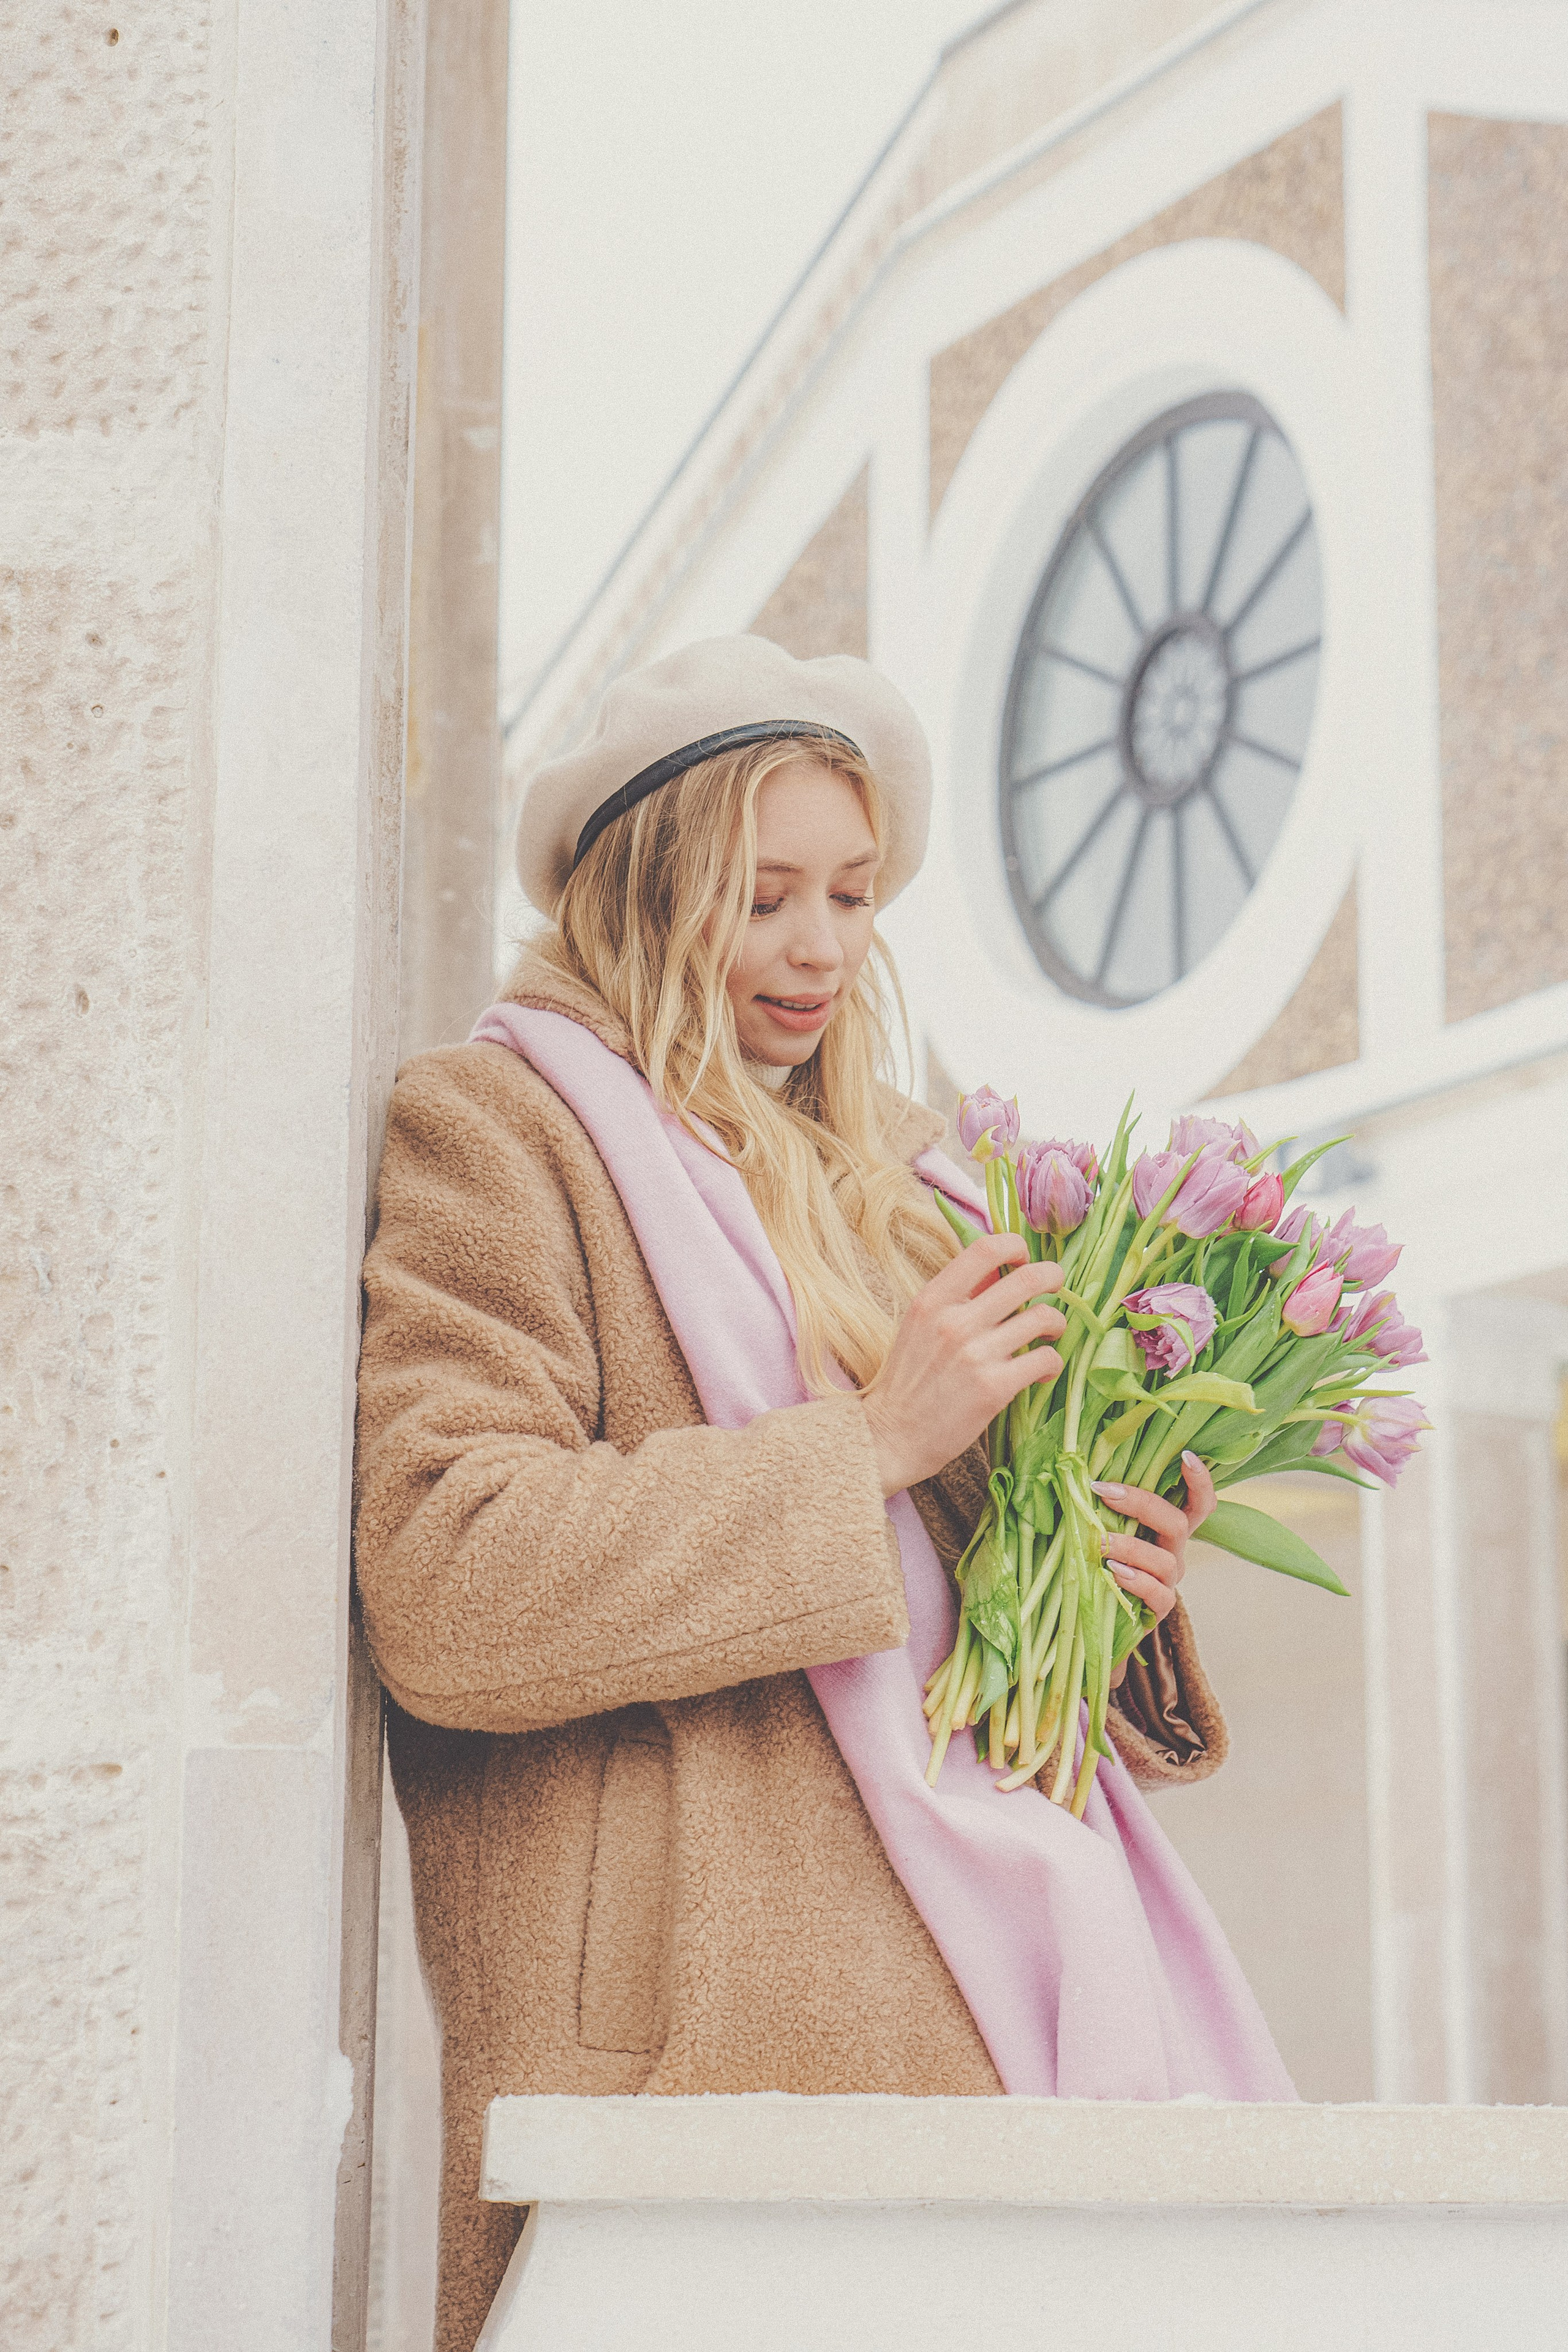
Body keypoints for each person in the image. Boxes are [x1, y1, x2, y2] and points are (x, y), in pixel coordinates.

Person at [353, 636, 1289, 2352]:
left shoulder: (909, 1182)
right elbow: (449, 1581)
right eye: (764, 893)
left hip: (987, 2025)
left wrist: (1097, 1589)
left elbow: (939, 1623)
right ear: (643, 892)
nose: (819, 949)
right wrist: (864, 1447)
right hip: (694, 2061)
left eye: (853, 895)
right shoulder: (497, 1135)